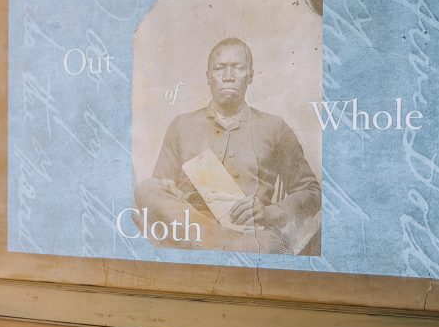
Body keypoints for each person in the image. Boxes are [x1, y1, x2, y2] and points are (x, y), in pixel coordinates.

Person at [134, 37, 321, 254]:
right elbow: (160, 189)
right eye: (220, 68)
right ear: (208, 77)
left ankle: (216, 245)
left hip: (249, 234)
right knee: (147, 189)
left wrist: (270, 213)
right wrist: (171, 189)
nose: (228, 76)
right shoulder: (181, 125)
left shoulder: (275, 127)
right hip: (192, 226)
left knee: (262, 244)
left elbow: (312, 192)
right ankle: (222, 243)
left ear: (250, 75)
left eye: (238, 68)